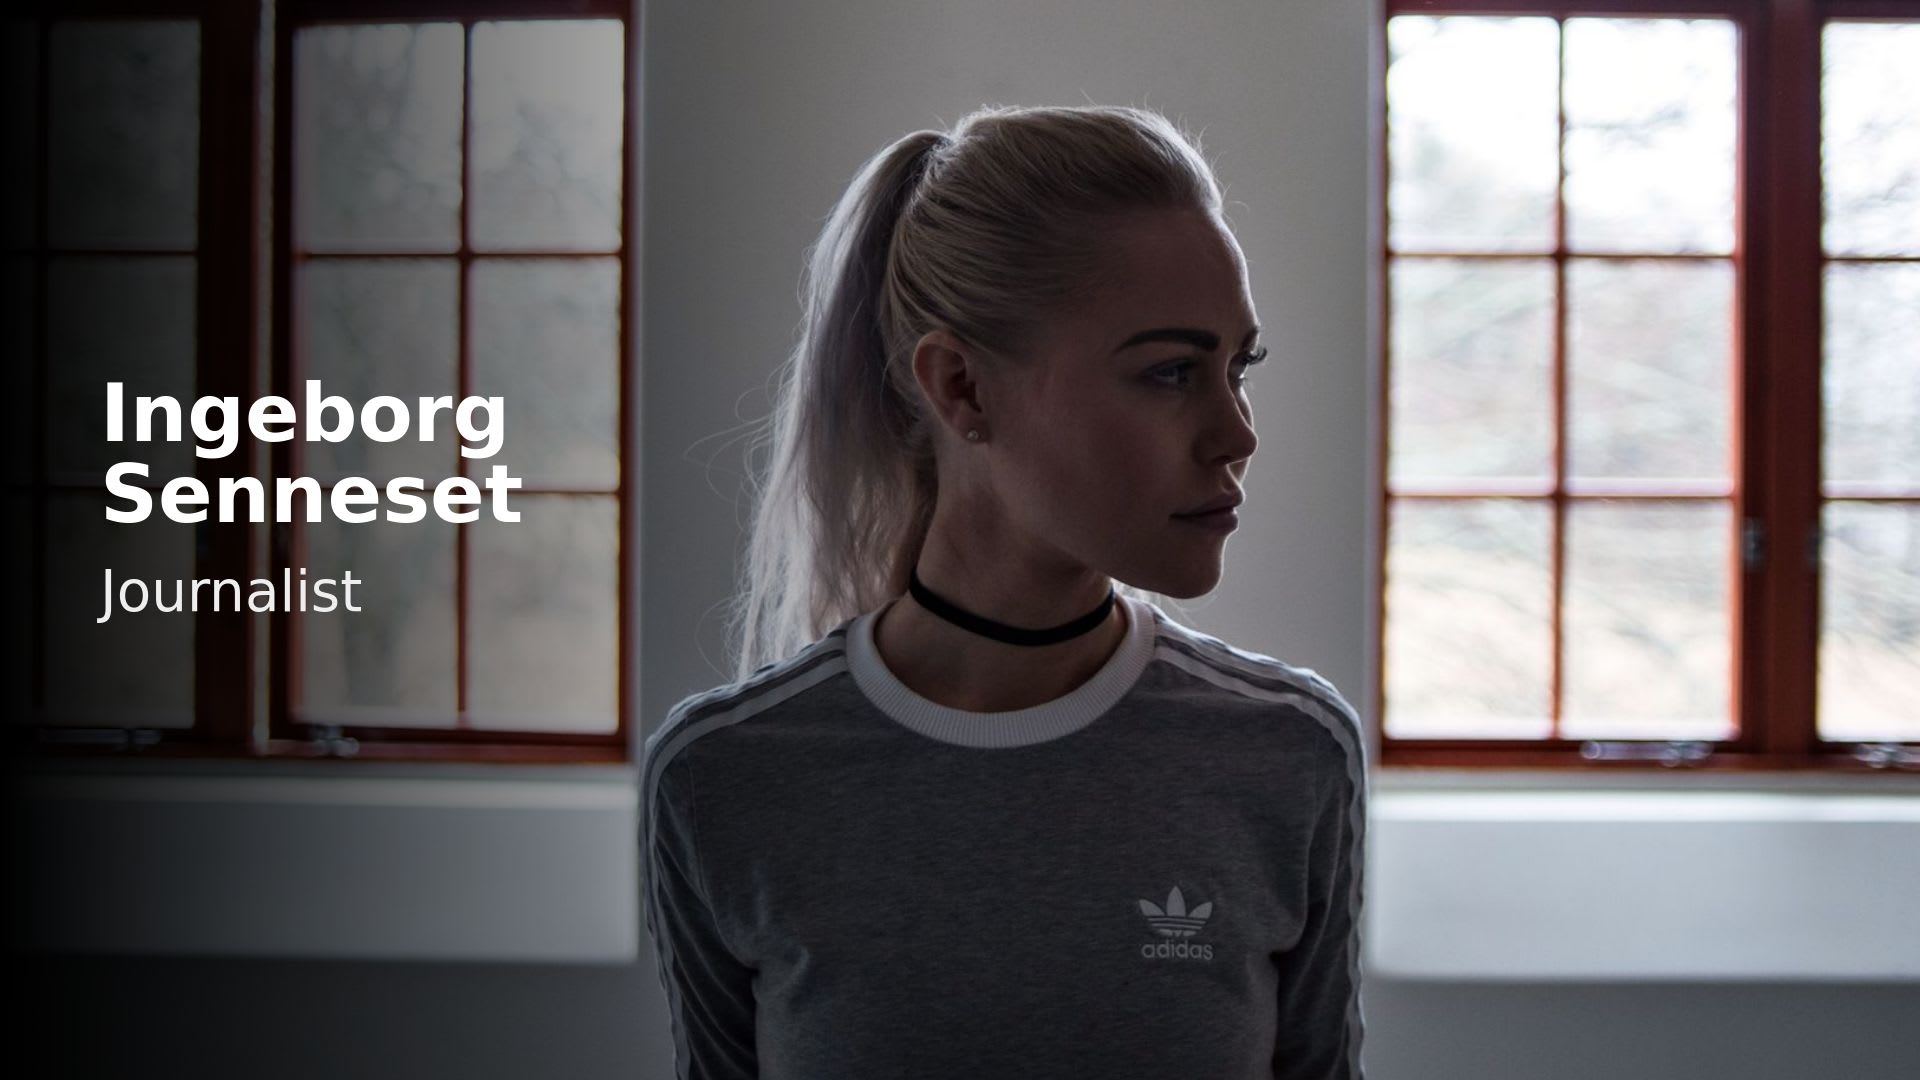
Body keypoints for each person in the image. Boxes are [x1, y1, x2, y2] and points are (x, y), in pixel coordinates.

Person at [642, 103, 1368, 1080]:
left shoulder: (1289, 754)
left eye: (1239, 368)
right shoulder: (725, 778)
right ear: (962, 388)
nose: (1238, 434)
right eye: (1170, 372)